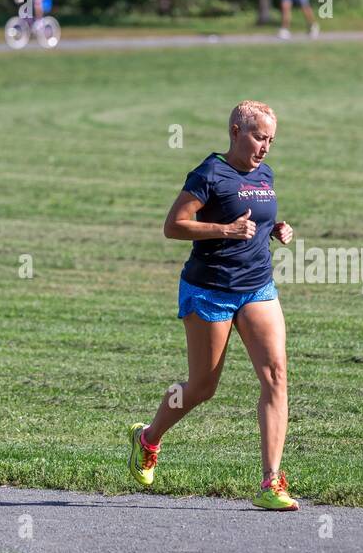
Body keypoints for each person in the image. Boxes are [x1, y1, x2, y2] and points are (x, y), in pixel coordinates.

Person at [128, 101, 300, 511]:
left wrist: (276, 228)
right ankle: (148, 438)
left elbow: (255, 216)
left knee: (276, 376)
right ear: (236, 132)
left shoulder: (265, 174)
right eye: (260, 137)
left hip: (257, 287)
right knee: (202, 387)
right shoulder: (209, 172)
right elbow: (174, 226)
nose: (265, 147)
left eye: (272, 140)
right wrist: (225, 229)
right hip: (209, 289)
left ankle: (271, 482)